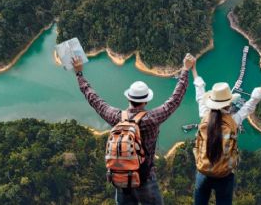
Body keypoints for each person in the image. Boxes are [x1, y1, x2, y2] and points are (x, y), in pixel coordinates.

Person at [71, 54, 196, 205]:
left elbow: (94, 100)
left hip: (122, 180)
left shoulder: (116, 117)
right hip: (145, 179)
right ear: (145, 100)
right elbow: (175, 100)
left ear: (129, 98)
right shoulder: (151, 119)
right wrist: (185, 69)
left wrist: (79, 74)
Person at [191, 63, 261, 205]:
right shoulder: (234, 120)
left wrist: (193, 68)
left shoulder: (204, 115)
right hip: (224, 175)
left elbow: (199, 92)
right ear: (228, 104)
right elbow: (252, 101)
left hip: (203, 172)